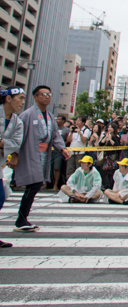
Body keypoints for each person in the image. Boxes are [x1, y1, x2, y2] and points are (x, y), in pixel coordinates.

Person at [14, 85, 71, 231]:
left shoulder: (50, 117)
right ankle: (21, 219)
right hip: (30, 152)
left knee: (35, 184)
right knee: (34, 184)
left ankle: (22, 218)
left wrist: (62, 148)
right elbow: (18, 136)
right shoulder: (27, 115)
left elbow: (55, 135)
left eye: (49, 94)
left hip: (44, 153)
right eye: (43, 94)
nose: (47, 96)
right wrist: (14, 154)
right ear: (35, 97)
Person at [0, 87, 26, 248]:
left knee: (0, 198)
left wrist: (2, 143)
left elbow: (16, 143)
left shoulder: (17, 122)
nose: (22, 102)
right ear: (8, 99)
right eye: (20, 98)